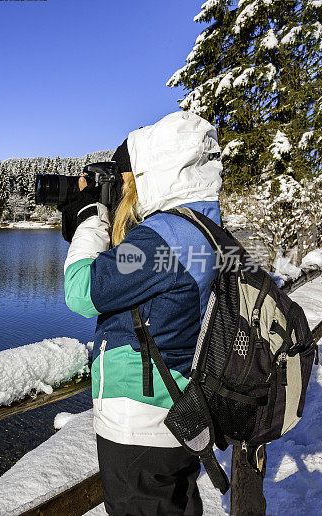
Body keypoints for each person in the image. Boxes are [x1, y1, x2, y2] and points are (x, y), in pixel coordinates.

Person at [63, 111, 224, 515]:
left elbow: (81, 291)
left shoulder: (162, 242)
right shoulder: (205, 227)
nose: (121, 187)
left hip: (141, 423)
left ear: (153, 170)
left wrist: (89, 217)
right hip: (179, 409)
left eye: (124, 177)